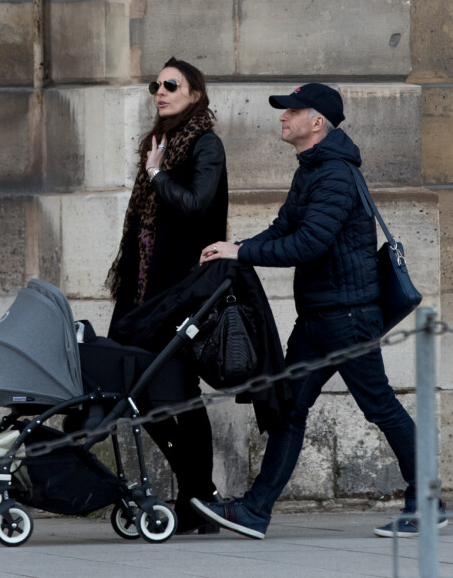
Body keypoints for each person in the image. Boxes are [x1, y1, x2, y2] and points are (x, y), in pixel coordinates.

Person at [191, 83, 447, 539]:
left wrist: (242, 254)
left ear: (317, 123)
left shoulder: (333, 174)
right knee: (291, 409)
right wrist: (238, 247)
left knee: (380, 407)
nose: (283, 117)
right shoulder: (311, 170)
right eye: (284, 111)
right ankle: (255, 510)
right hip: (320, 318)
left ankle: (428, 503)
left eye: (293, 111)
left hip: (346, 317)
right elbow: (284, 227)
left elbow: (309, 243)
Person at [106, 57, 228, 534]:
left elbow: (198, 205)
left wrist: (158, 176)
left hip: (179, 292)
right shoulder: (158, 143)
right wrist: (154, 166)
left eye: (170, 85)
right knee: (133, 389)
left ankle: (196, 498)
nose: (160, 91)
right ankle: (199, 495)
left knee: (181, 393)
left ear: (194, 93)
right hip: (141, 293)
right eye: (155, 84)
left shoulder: (206, 144)